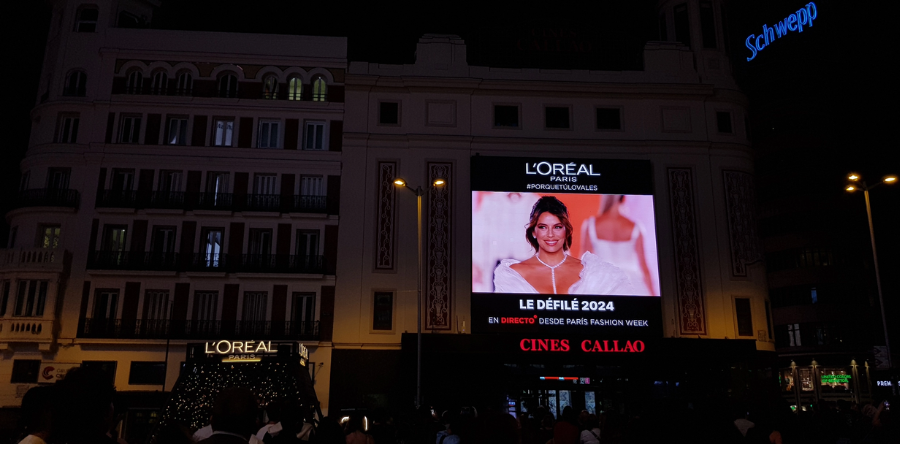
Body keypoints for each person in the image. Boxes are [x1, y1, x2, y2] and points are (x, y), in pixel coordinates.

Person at [493, 196, 633, 295]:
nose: (550, 234)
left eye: (557, 227)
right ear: (534, 231)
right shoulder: (513, 275)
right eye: (543, 227)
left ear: (566, 230)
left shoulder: (594, 273)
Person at [580, 194, 655, 295]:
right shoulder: (635, 227)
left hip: (602, 284)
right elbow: (644, 268)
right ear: (623, 198)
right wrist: (654, 295)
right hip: (633, 286)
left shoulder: (591, 225)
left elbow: (584, 263)